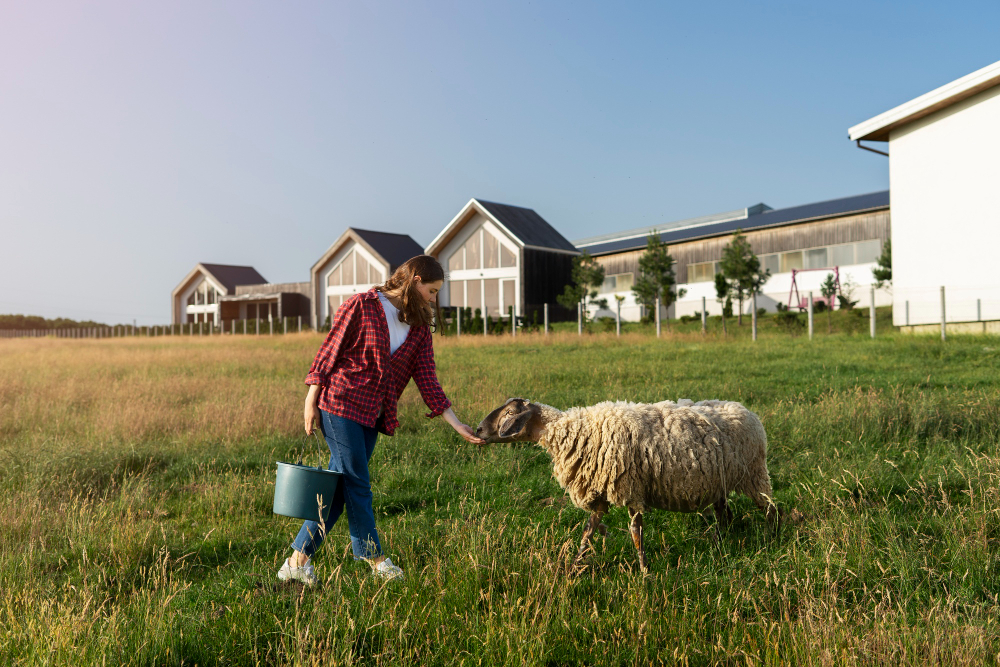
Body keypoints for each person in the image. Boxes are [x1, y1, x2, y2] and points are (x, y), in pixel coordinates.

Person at [277, 255, 484, 585]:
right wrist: (310, 398)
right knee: (358, 481)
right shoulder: (361, 305)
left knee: (340, 489)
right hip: (339, 404)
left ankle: (296, 561)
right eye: (431, 291)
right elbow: (329, 352)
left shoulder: (418, 328)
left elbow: (427, 377)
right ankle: (376, 560)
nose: (433, 299)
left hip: (373, 414)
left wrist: (456, 423)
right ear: (415, 280)